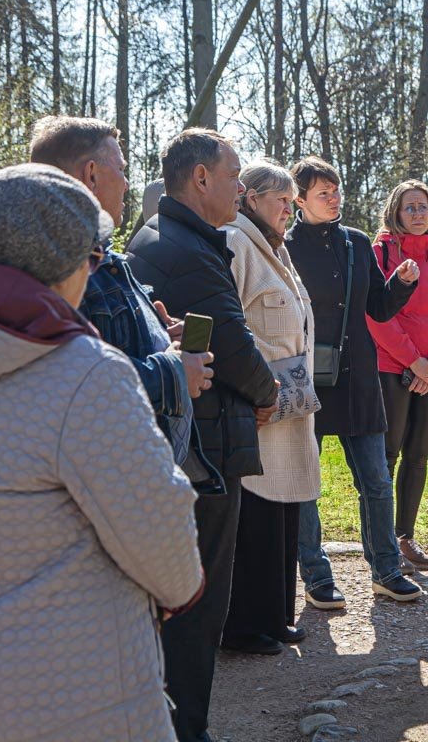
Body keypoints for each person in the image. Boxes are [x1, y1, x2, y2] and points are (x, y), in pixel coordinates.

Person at [0, 164, 202, 742]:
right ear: (64, 264)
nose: (95, 270)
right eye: (95, 257)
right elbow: (166, 548)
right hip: (71, 694)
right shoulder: (87, 376)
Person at [127, 128, 278, 742]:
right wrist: (269, 394)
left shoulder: (170, 237)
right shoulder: (185, 250)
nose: (242, 186)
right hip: (204, 446)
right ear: (200, 179)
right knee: (195, 598)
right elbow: (233, 344)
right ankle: (184, 729)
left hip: (195, 434)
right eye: (234, 173)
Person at [28, 116, 215, 481]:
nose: (127, 183)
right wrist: (174, 372)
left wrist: (159, 334)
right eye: (121, 169)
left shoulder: (102, 256)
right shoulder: (60, 266)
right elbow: (71, 383)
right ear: (92, 175)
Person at [284, 156, 423, 609]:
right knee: (306, 483)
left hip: (359, 378)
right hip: (306, 378)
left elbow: (378, 308)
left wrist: (400, 284)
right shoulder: (281, 248)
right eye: (323, 193)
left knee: (378, 481)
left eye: (336, 190)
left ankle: (386, 570)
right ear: (299, 200)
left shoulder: (357, 243)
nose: (334, 198)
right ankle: (317, 576)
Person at [220, 160, 319, 655]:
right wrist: (259, 386)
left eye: (291, 200)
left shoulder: (276, 246)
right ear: (251, 199)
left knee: (284, 512)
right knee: (258, 515)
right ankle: (247, 625)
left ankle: (278, 615)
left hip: (289, 403)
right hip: (261, 404)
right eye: (280, 200)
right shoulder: (237, 243)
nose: (289, 208)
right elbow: (232, 324)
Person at [368, 180, 428, 573]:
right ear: (395, 213)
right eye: (410, 207)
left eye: (423, 206)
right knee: (387, 454)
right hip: (391, 366)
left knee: (418, 456)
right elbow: (376, 315)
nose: (418, 213)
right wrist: (413, 361)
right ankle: (381, 543)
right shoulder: (382, 253)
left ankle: (405, 537)